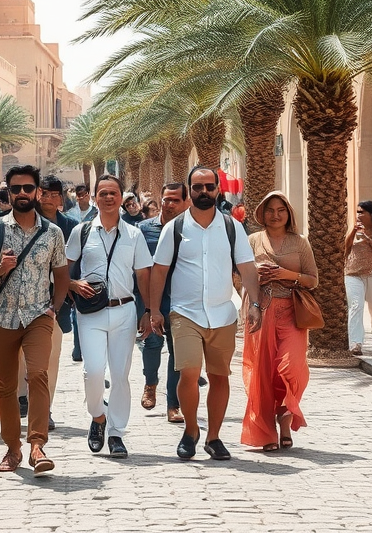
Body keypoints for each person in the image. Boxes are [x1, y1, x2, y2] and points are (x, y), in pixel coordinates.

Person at [148, 167, 260, 461]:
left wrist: (256, 305)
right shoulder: (175, 229)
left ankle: (213, 436)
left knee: (219, 376)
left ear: (217, 190)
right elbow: (159, 271)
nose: (203, 192)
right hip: (185, 313)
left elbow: (247, 267)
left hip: (223, 313)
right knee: (188, 373)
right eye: (197, 187)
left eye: (209, 186)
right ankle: (190, 429)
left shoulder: (231, 227)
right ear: (189, 191)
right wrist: (155, 310)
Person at [0, 165, 69, 476]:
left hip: (38, 315)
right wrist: (0, 268)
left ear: (38, 192)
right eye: (16, 189)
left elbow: (62, 274)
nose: (22, 193)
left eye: (28, 188)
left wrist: (54, 307)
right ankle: (12, 448)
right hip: (2, 316)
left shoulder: (52, 233)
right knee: (7, 385)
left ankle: (37, 445)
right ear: (9, 192)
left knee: (37, 374)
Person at [66, 174, 153, 459]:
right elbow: (64, 269)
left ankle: (116, 433)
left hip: (124, 310)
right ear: (94, 197)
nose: (108, 197)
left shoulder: (134, 234)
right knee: (92, 372)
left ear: (121, 197)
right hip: (89, 312)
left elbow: (143, 275)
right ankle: (98, 417)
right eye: (102, 193)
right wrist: (72, 283)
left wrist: (148, 311)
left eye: (113, 192)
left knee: (120, 375)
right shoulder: (81, 232)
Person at [241, 191, 318, 451]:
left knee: (291, 367)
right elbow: (238, 276)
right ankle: (267, 432)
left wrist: (287, 274)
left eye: (280, 210)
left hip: (292, 313)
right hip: (260, 310)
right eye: (270, 210)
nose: (275, 215)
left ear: (289, 214)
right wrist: (255, 276)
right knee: (262, 372)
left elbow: (313, 279)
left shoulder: (300, 243)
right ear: (261, 213)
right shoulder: (251, 241)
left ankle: (285, 418)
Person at [136, 183, 189, 422]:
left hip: (181, 299)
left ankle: (173, 404)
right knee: (152, 343)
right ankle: (150, 385)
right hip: (149, 298)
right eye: (166, 199)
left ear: (186, 203)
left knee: (178, 352)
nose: (169, 204)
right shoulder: (143, 229)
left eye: (175, 200)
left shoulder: (192, 230)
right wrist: (144, 306)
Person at [32, 175, 76, 429]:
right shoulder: (23, 221)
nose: (48, 199)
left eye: (53, 194)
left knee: (51, 358)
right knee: (21, 359)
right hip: (22, 301)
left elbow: (74, 262)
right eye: (43, 193)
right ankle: (22, 401)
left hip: (55, 303)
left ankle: (44, 408)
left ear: (61, 198)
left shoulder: (70, 226)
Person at [344, 200, 372, 355]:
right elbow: (345, 248)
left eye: (362, 212)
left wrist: (368, 238)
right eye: (357, 212)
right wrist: (352, 232)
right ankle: (355, 343)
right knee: (356, 306)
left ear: (371, 214)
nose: (358, 215)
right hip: (353, 273)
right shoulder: (353, 228)